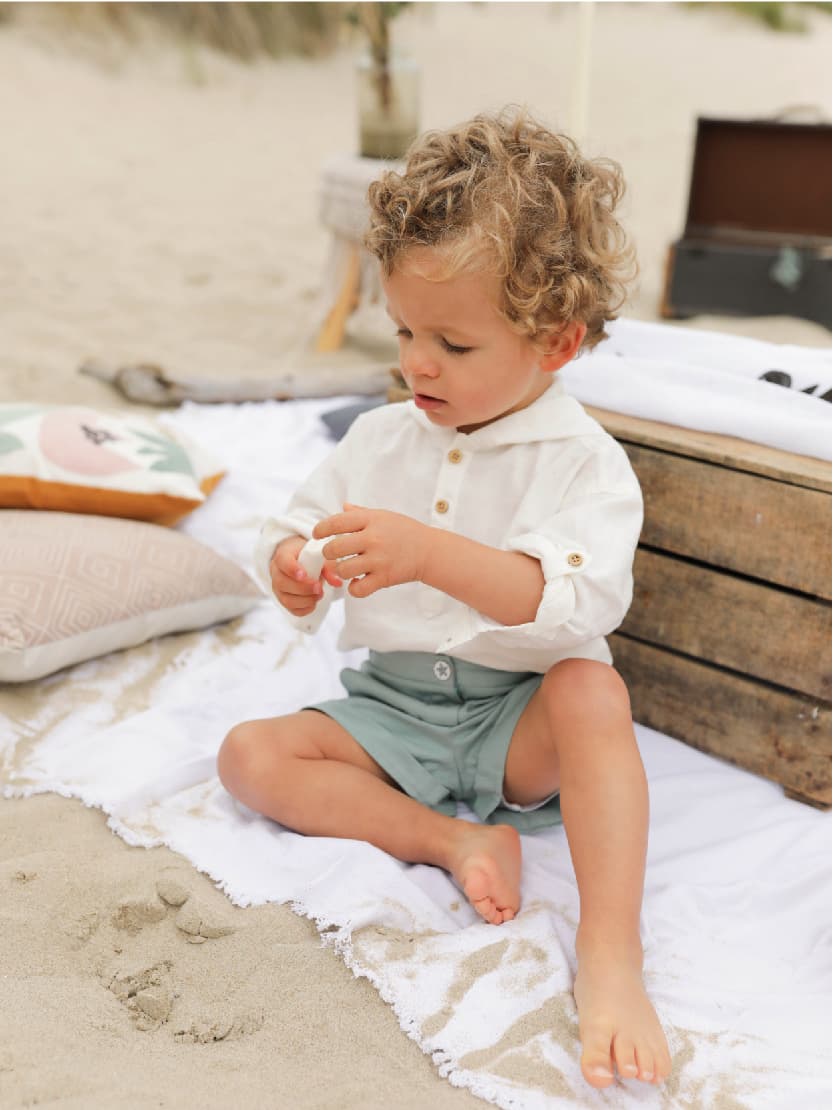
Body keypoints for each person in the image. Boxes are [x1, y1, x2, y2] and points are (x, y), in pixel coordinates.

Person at [217, 107, 672, 1090]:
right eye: (404, 331)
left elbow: (572, 605)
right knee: (251, 756)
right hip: (392, 710)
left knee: (595, 696)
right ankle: (453, 839)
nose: (416, 364)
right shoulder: (381, 441)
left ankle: (609, 955)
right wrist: (298, 570)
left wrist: (428, 553)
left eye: (453, 346)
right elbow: (287, 533)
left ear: (553, 343)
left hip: (517, 718)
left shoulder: (580, 463)